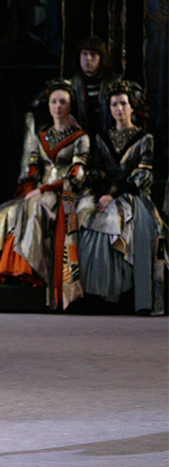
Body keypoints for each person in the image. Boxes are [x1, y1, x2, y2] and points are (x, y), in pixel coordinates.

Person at [0, 79, 90, 309]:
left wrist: (43, 189)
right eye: (54, 101)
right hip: (38, 190)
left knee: (36, 207)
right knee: (4, 213)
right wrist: (29, 187)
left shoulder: (80, 137)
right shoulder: (41, 135)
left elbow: (77, 174)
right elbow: (32, 167)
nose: (57, 106)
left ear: (70, 105)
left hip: (63, 191)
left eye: (62, 101)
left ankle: (31, 270)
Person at [78, 80, 165, 314]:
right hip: (105, 194)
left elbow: (142, 175)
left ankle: (123, 293)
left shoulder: (144, 138)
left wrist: (113, 193)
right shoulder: (101, 138)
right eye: (114, 104)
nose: (119, 109)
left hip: (133, 196)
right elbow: (96, 169)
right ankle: (93, 293)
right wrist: (98, 185)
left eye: (123, 104)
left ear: (132, 107)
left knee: (113, 220)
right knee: (84, 217)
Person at [70, 36, 121, 138]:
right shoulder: (72, 84)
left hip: (110, 138)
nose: (88, 59)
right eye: (84, 54)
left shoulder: (115, 82)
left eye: (93, 55)